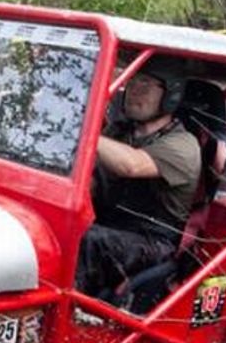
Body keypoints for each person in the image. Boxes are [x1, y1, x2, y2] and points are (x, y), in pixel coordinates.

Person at [76, 57, 202, 299]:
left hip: (152, 242)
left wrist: (81, 128)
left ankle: (59, 320)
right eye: (131, 82)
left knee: (88, 240)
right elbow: (91, 174)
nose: (134, 90)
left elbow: (131, 165)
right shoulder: (119, 132)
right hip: (110, 226)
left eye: (145, 84)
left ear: (171, 94)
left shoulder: (183, 145)